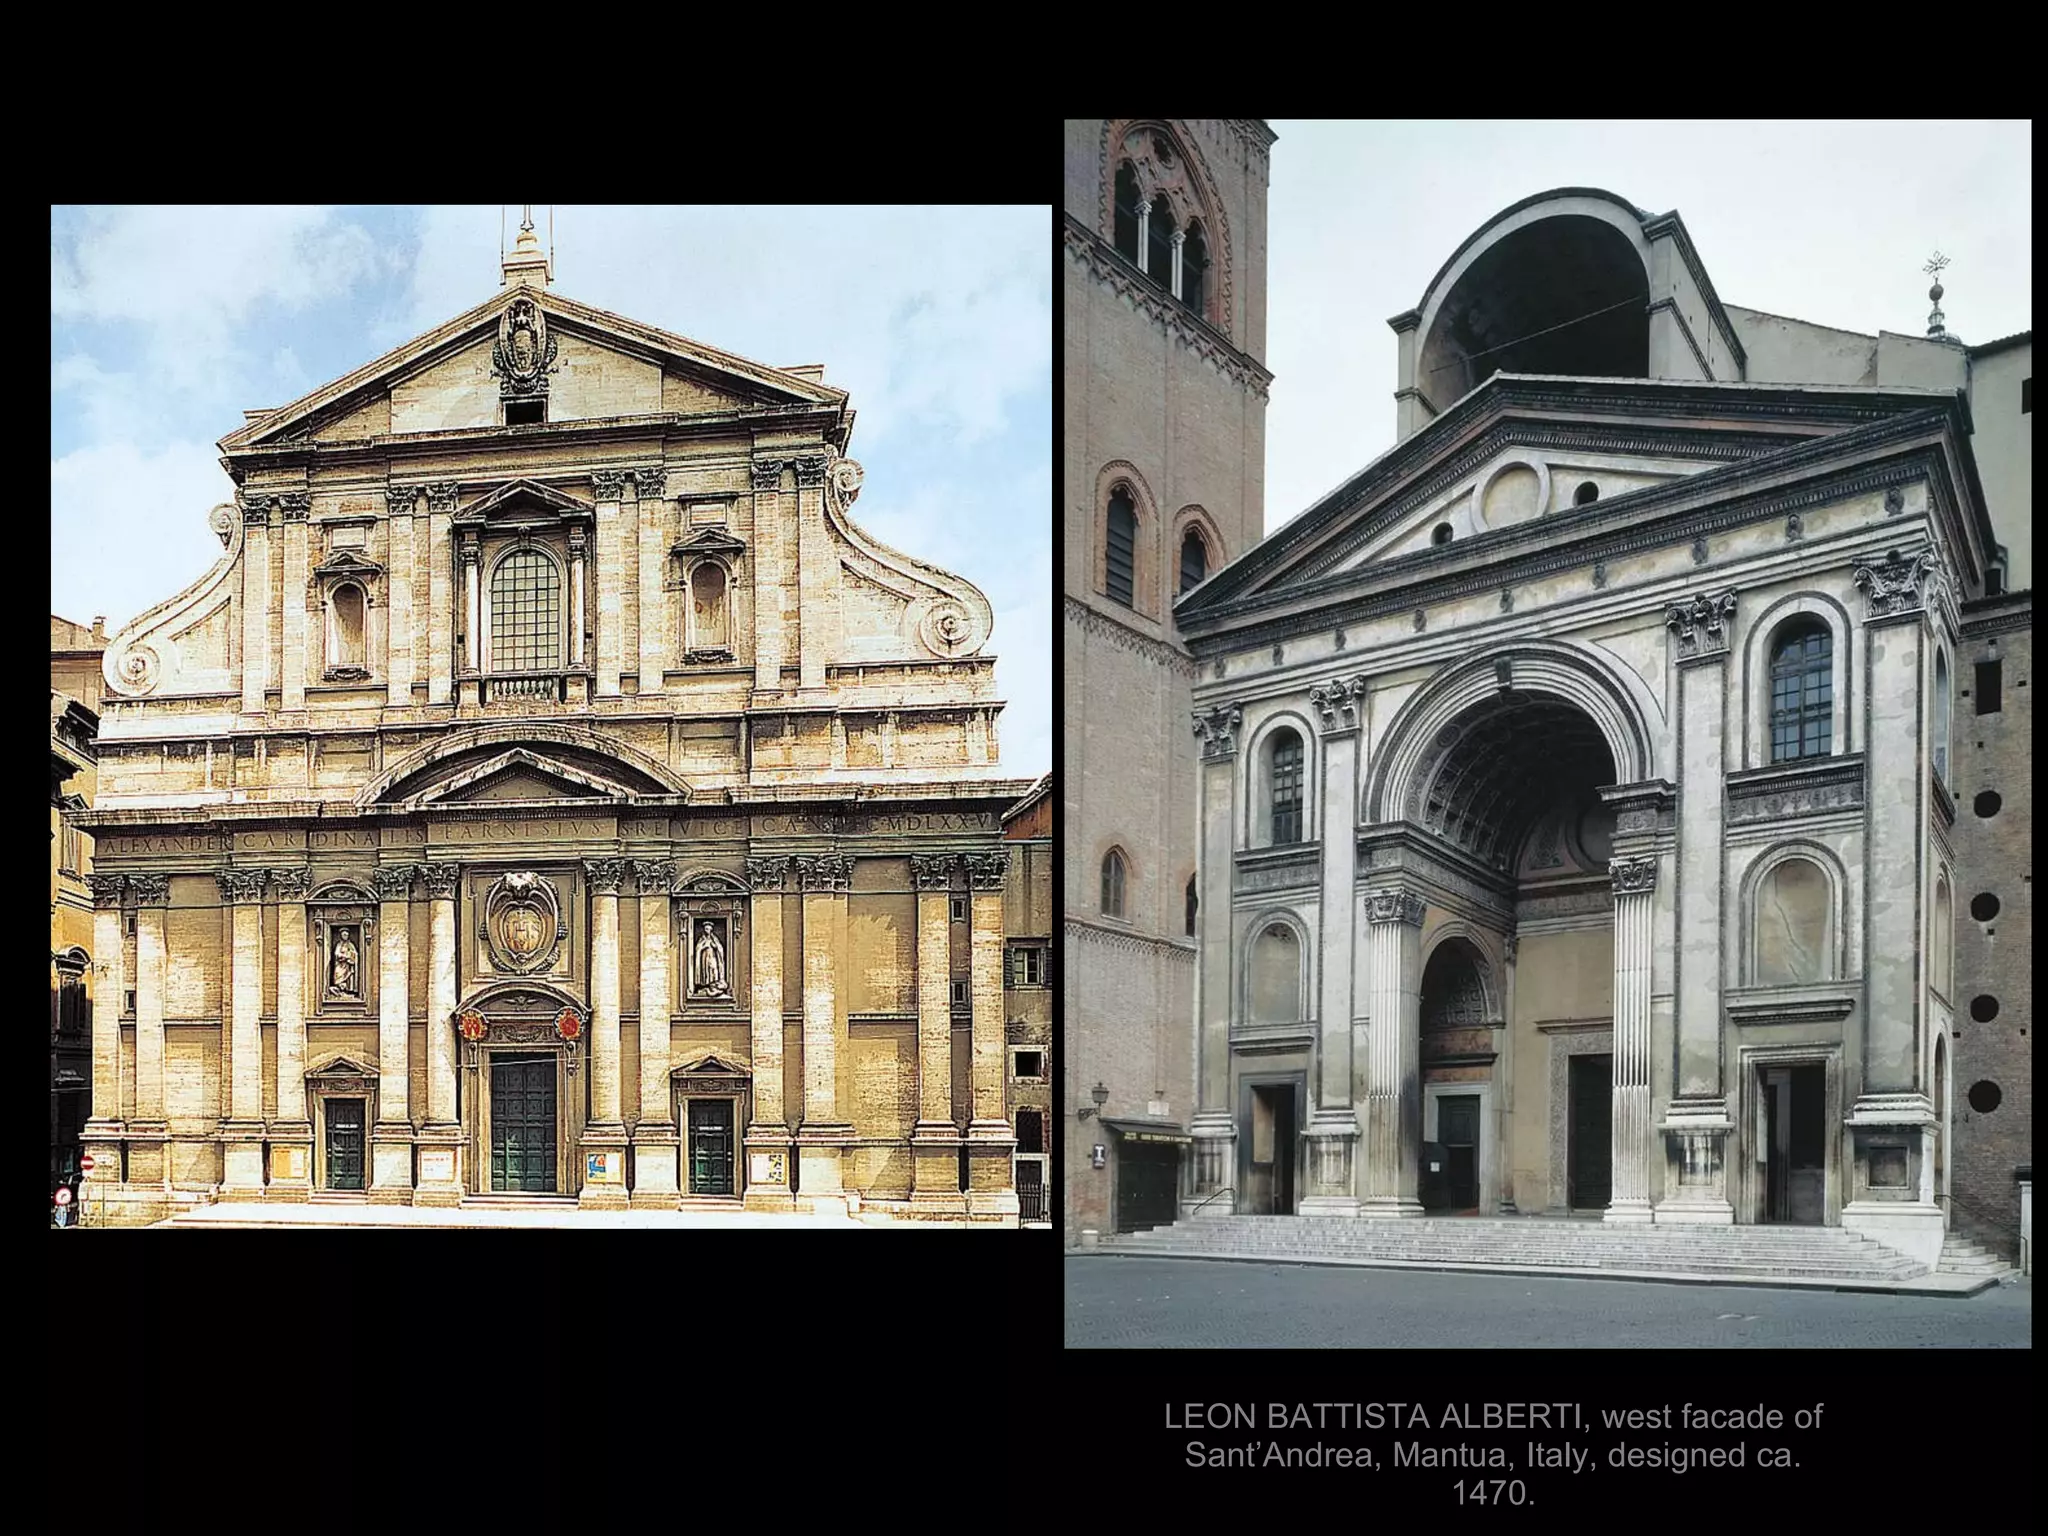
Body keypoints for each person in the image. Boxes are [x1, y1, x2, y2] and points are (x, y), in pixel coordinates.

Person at [693, 922, 727, 994]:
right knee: (705, 971)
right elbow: (698, 948)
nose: (706, 931)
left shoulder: (714, 939)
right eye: (705, 929)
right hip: (704, 958)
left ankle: (714, 984)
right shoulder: (702, 939)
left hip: (713, 957)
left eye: (708, 929)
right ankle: (706, 985)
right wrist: (703, 947)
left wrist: (715, 947)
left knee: (713, 968)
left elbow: (720, 948)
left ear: (711, 930)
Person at [332, 931, 359, 995]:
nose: (345, 936)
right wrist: (342, 956)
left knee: (348, 976)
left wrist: (350, 956)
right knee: (338, 975)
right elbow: (336, 953)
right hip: (340, 964)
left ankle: (347, 990)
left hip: (348, 964)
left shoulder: (350, 944)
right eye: (344, 935)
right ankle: (339, 989)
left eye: (346, 935)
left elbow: (355, 953)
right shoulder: (339, 944)